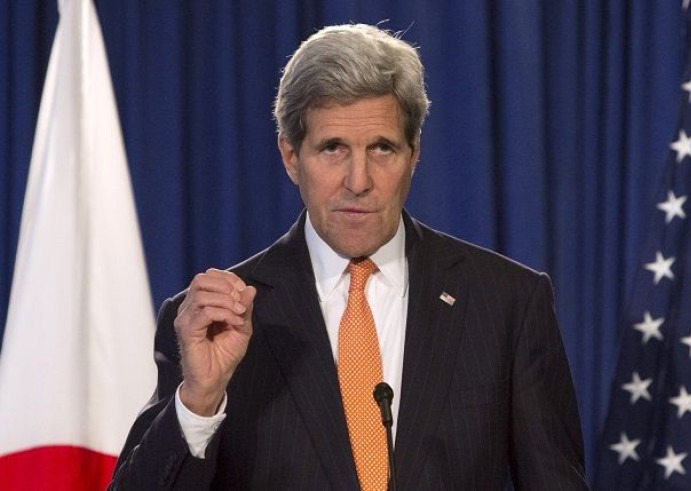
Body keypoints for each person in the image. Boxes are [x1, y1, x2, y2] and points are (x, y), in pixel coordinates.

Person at [110, 24, 589, 490]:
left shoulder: (507, 303)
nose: (358, 181)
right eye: (333, 148)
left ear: (414, 154)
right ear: (291, 157)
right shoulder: (217, 321)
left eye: (382, 148)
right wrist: (200, 399)